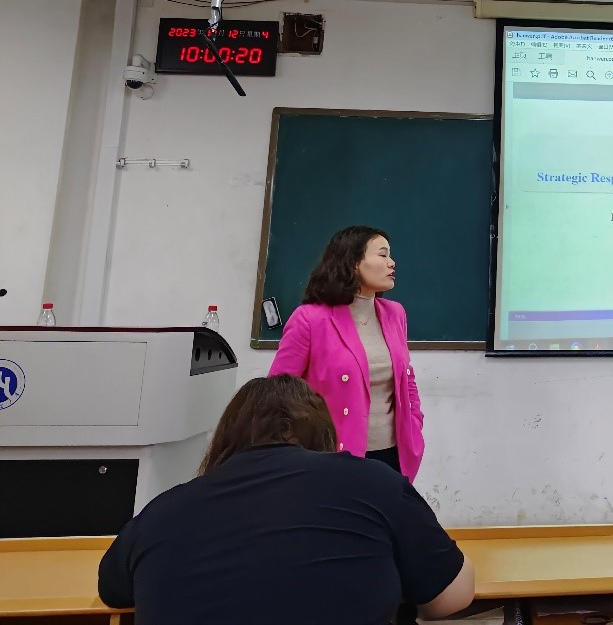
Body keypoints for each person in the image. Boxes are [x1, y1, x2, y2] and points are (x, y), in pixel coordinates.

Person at [97, 375, 473, 624]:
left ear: (226, 438)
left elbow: (113, 594)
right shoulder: (374, 482)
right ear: (323, 432)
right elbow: (450, 596)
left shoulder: (163, 511)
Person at [270, 225, 425, 480]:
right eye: (383, 255)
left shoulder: (394, 313)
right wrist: (296, 445)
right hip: (332, 455)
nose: (392, 263)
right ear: (353, 263)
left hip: (394, 453)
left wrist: (415, 422)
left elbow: (406, 379)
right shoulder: (310, 318)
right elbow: (279, 391)